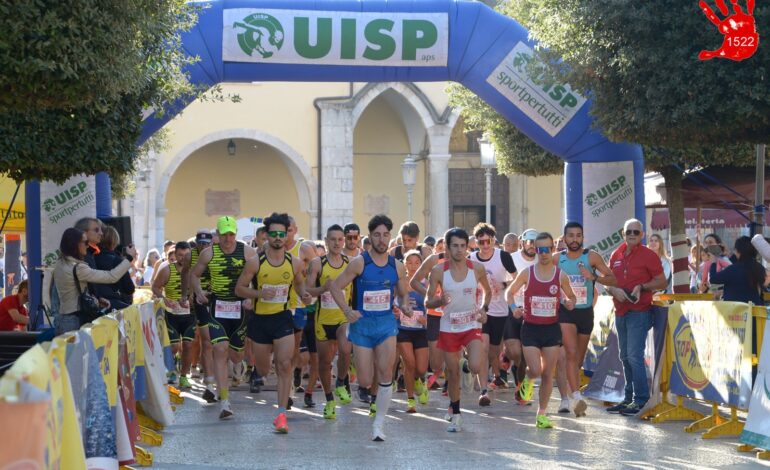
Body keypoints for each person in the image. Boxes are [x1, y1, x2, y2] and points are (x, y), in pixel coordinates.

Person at [329, 214, 412, 442]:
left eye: (386, 235)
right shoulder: (359, 263)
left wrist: (404, 306)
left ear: (390, 237)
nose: (382, 239)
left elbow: (403, 294)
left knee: (386, 373)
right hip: (362, 325)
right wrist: (347, 311)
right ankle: (347, 366)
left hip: (386, 324)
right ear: (371, 237)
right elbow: (335, 287)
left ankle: (379, 424)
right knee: (365, 380)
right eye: (377, 234)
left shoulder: (398, 266)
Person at [235, 212, 311, 433]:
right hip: (259, 321)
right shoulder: (254, 262)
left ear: (287, 236)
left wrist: (305, 294)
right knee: (264, 367)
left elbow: (299, 285)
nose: (279, 238)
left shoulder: (294, 263)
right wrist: (259, 294)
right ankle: (259, 372)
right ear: (266, 235)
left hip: (282, 318)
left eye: (282, 234)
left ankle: (281, 414)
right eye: (274, 234)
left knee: (285, 364)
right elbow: (239, 289)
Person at [505, 232, 577, 429]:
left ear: (553, 250)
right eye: (540, 249)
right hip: (531, 329)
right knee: (536, 370)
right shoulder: (527, 273)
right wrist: (514, 309)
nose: (544, 253)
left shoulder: (560, 275)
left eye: (547, 249)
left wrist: (570, 303)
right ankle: (528, 379)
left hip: (551, 329)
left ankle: (542, 414)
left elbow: (571, 297)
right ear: (535, 250)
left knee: (548, 374)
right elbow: (509, 293)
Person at [425, 227, 490, 432]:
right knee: (452, 374)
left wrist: (484, 309)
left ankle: (466, 367)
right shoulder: (438, 271)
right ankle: (457, 414)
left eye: (463, 246)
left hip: (471, 324)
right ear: (447, 247)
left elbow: (488, 292)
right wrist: (438, 300)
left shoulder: (477, 268)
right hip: (449, 327)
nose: (460, 250)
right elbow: (428, 301)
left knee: (476, 365)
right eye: (455, 246)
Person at [191, 216, 257, 420]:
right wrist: (199, 292)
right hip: (218, 307)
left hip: (240, 308)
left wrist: (252, 296)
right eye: (224, 234)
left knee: (236, 355)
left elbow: (258, 276)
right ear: (217, 235)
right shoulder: (208, 253)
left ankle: (239, 365)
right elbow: (194, 275)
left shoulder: (247, 251)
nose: (228, 238)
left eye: (231, 234)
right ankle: (225, 402)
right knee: (219, 349)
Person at [553, 222, 617, 417]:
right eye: (570, 236)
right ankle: (574, 397)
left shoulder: (592, 257)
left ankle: (570, 395)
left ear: (583, 238)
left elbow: (612, 278)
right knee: (569, 354)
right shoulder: (557, 259)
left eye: (578, 235)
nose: (574, 239)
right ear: (564, 239)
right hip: (565, 312)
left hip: (585, 312)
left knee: (577, 360)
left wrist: (593, 277)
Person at [605, 219, 667, 416]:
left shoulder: (649, 255)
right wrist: (613, 289)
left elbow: (662, 281)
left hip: (640, 311)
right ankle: (628, 398)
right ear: (623, 234)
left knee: (633, 356)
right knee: (625, 356)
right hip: (620, 310)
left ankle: (640, 400)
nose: (632, 234)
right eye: (628, 231)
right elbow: (607, 281)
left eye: (636, 232)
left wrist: (642, 286)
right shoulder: (616, 254)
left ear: (642, 235)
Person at [305, 224, 354, 419]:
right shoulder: (317, 264)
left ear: (344, 241)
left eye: (340, 239)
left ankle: (341, 382)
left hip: (343, 318)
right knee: (324, 363)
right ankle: (329, 399)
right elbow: (308, 291)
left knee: (345, 349)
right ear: (326, 242)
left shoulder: (350, 263)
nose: (337, 243)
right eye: (332, 239)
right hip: (322, 320)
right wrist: (323, 289)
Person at [469, 222, 517, 406]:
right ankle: (484, 390)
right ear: (476, 243)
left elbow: (517, 278)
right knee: (484, 347)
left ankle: (487, 369)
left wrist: (503, 286)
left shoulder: (503, 256)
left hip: (500, 309)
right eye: (481, 242)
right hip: (480, 310)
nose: (485, 245)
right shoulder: (471, 258)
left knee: (495, 350)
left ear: (494, 240)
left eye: (488, 241)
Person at [52, 228, 134, 333]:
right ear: (75, 244)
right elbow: (111, 276)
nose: (88, 246)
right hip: (74, 320)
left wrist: (96, 299)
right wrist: (129, 258)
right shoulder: (78, 268)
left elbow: (72, 291)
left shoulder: (60, 263)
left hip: (63, 319)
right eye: (85, 242)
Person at [284, 216, 319, 407]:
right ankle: (287, 383)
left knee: (297, 352)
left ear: (295, 230)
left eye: (289, 230)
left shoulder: (303, 249)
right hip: (279, 306)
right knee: (285, 353)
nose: (285, 234)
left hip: (300, 306)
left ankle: (293, 390)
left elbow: (318, 268)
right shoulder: (272, 248)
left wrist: (310, 284)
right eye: (283, 230)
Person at [153, 241, 195, 388]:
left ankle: (184, 376)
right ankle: (170, 371)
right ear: (174, 255)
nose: (183, 258)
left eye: (186, 255)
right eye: (179, 255)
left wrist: (194, 297)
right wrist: (164, 299)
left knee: (189, 345)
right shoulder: (166, 270)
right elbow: (155, 287)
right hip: (172, 314)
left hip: (190, 315)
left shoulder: (196, 270)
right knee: (174, 347)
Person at [396, 249, 430, 412]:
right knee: (409, 363)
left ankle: (418, 380)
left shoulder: (427, 283)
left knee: (421, 368)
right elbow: (391, 300)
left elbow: (434, 304)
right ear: (404, 264)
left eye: (417, 262)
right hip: (403, 328)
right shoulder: (400, 282)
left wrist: (427, 319)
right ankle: (410, 400)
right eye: (409, 262)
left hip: (420, 329)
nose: (413, 265)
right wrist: (397, 309)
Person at [509, 227, 538, 403]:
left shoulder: (541, 261)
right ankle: (510, 362)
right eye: (529, 242)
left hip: (533, 312)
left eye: (535, 243)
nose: (532, 246)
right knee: (515, 353)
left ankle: (521, 387)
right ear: (523, 243)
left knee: (526, 356)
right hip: (513, 310)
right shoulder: (512, 259)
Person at [189, 230, 218, 401]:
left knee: (220, 344)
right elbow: (187, 274)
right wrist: (189, 295)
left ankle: (220, 377)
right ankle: (209, 384)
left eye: (207, 244)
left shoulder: (219, 254)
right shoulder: (190, 256)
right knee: (207, 342)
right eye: (200, 244)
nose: (203, 247)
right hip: (201, 301)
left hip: (220, 300)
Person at [707, 236, 764, 304]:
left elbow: (713, 279)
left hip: (735, 311)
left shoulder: (733, 269)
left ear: (738, 251)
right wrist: (729, 255)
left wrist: (713, 262)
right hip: (754, 309)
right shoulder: (759, 267)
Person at [93, 225, 135, 311]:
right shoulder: (117, 261)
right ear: (115, 241)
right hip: (114, 307)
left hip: (96, 305)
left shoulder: (90, 258)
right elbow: (129, 288)